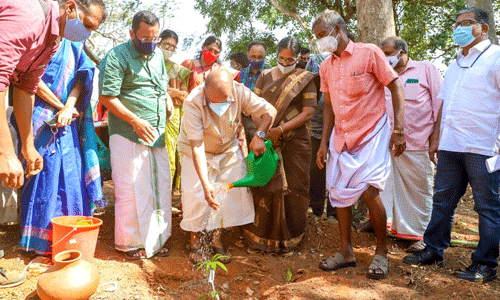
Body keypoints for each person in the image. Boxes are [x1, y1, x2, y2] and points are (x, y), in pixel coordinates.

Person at [403, 7, 500, 284]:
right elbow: (443, 104)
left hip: (484, 146)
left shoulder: (496, 58)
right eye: (457, 23)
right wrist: (436, 137)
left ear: (484, 28)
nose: (460, 28)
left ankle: (485, 264)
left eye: (467, 23)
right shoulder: (456, 62)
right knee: (443, 201)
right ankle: (433, 250)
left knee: (487, 207)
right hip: (451, 145)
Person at [313, 10, 406, 279]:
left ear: (338, 30)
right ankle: (346, 251)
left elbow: (395, 86)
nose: (321, 41)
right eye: (317, 37)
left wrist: (398, 129)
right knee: (340, 193)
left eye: (323, 35)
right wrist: (323, 142)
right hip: (342, 138)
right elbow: (328, 106)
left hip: (371, 134)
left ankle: (381, 252)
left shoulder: (369, 53)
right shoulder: (325, 65)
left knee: (370, 192)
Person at [0, 0, 105, 191]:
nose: (87, 34)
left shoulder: (53, 40)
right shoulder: (29, 16)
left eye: (92, 30)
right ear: (71, 7)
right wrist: (5, 152)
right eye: (87, 25)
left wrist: (28, 146)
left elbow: (26, 87)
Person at [178, 68, 277, 264]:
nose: (222, 106)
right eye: (216, 102)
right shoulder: (192, 103)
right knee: (197, 195)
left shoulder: (240, 91)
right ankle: (195, 241)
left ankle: (217, 240)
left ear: (233, 90)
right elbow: (197, 146)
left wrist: (260, 135)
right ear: (205, 91)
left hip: (227, 148)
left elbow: (270, 111)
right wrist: (205, 183)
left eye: (226, 100)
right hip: (197, 151)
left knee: (226, 194)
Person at [18, 38, 106, 256]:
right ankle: (38, 242)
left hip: (69, 117)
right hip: (37, 116)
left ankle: (68, 238)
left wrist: (69, 106)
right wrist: (60, 107)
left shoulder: (75, 45)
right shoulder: (38, 38)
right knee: (40, 174)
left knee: (70, 175)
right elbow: (30, 80)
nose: (87, 31)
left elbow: (82, 76)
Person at [99, 11, 173, 260]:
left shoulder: (158, 56)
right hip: (128, 134)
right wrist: (135, 121)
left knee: (158, 186)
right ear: (132, 34)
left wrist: (168, 100)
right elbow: (107, 97)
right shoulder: (116, 56)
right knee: (130, 190)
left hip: (157, 133)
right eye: (145, 39)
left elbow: (161, 87)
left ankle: (155, 240)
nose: (150, 44)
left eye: (155, 39)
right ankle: (129, 243)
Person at [243, 37, 319, 253]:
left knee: (294, 187)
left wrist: (281, 130)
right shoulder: (265, 75)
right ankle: (258, 239)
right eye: (281, 59)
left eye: (290, 60)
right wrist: (263, 132)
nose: (285, 63)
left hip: (295, 142)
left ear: (297, 59)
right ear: (275, 56)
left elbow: (308, 112)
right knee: (263, 183)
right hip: (264, 138)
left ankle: (290, 239)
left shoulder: (305, 78)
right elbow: (252, 108)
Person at [378, 36, 442, 253]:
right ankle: (387, 225)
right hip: (386, 144)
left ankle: (419, 234)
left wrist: (436, 137)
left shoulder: (425, 69)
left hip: (418, 142)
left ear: (402, 52)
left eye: (388, 53)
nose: (385, 58)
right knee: (385, 187)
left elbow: (440, 104)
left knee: (418, 190)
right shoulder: (384, 74)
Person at [158, 29, 192, 197]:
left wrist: (174, 93)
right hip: (150, 114)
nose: (169, 49)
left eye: (173, 47)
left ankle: (170, 191)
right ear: (158, 43)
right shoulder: (147, 64)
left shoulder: (179, 70)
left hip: (172, 116)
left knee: (170, 152)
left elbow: (186, 96)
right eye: (166, 45)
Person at [305, 53, 335, 219]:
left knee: (337, 171)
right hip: (315, 131)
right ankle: (315, 210)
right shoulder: (315, 62)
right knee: (316, 170)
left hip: (339, 132)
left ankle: (334, 212)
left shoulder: (336, 80)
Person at [237, 41, 271, 148]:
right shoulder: (240, 74)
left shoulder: (271, 73)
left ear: (265, 56)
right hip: (243, 121)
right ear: (247, 55)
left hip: (263, 121)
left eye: (260, 57)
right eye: (253, 56)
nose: (256, 60)